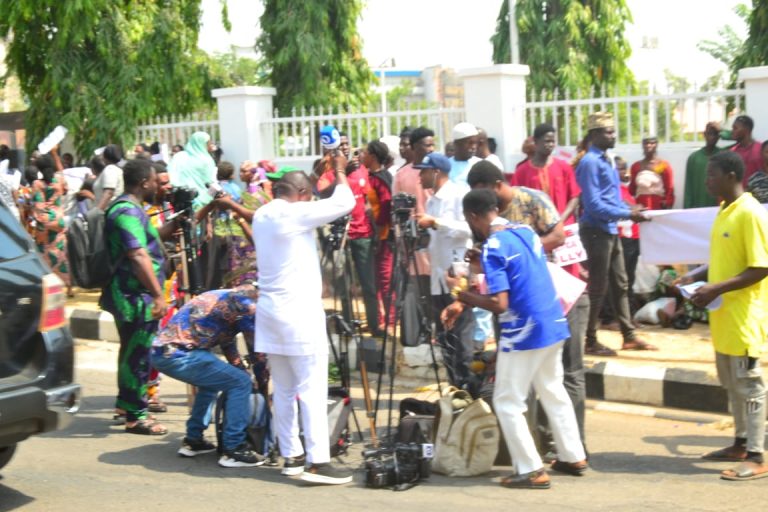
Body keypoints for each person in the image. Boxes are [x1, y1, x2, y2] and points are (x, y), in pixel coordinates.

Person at [443, 188, 587, 489]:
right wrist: (482, 264)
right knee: (551, 388)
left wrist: (466, 295)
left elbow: (500, 304)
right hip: (553, 321)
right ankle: (573, 455)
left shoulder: (494, 245)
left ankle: (532, 469)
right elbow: (518, 269)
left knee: (507, 401)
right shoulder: (525, 231)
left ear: (471, 216)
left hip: (524, 332)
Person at [252, 165, 355, 485]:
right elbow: (345, 203)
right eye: (308, 196)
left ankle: (292, 455)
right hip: (298, 314)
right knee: (311, 388)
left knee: (283, 389)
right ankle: (318, 462)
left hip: (270, 315)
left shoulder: (262, 215)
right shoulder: (293, 215)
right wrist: (339, 172)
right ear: (301, 195)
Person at [682, 151, 768, 481]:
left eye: (711, 175)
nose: (707, 180)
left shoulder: (750, 213)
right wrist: (696, 277)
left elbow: (761, 266)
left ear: (731, 176)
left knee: (750, 386)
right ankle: (741, 444)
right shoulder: (724, 209)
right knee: (732, 385)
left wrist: (716, 288)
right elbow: (724, 256)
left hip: (745, 317)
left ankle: (758, 455)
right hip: (724, 318)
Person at [100, 158, 179, 435]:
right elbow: (137, 253)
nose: (159, 185)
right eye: (156, 180)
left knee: (131, 351)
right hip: (134, 296)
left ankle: (125, 404)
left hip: (133, 293)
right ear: (144, 182)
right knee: (139, 354)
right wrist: (158, 296)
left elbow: (143, 241)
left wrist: (169, 230)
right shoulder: (126, 211)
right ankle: (136, 416)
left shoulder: (132, 210)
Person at [151, 285, 266, 467]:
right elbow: (257, 353)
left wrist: (240, 368)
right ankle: (234, 448)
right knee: (241, 383)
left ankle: (193, 440)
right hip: (182, 355)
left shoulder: (222, 295)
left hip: (162, 353)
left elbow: (227, 342)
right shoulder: (248, 307)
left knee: (213, 382)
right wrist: (260, 381)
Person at [575, 112, 655, 356]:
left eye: (612, 130)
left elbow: (612, 198)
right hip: (596, 230)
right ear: (594, 135)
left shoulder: (607, 159)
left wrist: (628, 209)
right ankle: (590, 340)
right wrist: (628, 214)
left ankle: (628, 335)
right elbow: (594, 205)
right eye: (608, 132)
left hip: (609, 228)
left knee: (620, 283)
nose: (613, 135)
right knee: (599, 286)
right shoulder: (589, 162)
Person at [415, 153, 474, 388]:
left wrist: (436, 223)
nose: (420, 176)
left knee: (461, 339)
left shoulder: (459, 195)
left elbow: (469, 229)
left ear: (436, 172)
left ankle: (468, 389)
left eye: (424, 171)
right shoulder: (431, 202)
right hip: (438, 278)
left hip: (458, 276)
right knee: (445, 339)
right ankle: (454, 388)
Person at [393, 126, 435, 345]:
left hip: (436, 238)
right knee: (419, 288)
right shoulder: (402, 174)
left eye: (432, 145)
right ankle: (422, 332)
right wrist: (401, 243)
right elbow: (396, 212)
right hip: (413, 241)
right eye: (426, 145)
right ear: (415, 147)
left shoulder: (438, 171)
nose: (430, 149)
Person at [30, 151, 72, 296]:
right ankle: (69, 287)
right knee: (61, 253)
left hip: (45, 225)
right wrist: (55, 154)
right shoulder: (59, 181)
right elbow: (64, 181)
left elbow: (38, 207)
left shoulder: (37, 184)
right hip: (59, 222)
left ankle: (47, 287)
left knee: (45, 254)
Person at [363, 141, 395, 331]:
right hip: (371, 233)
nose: (362, 156)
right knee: (373, 278)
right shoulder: (369, 177)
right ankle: (378, 319)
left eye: (365, 152)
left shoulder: (380, 179)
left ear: (373, 157)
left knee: (385, 278)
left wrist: (379, 226)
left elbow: (386, 204)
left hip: (382, 235)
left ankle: (390, 320)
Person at [168, 131, 217, 210]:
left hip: (180, 200)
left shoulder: (179, 156)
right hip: (203, 204)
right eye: (208, 143)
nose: (210, 147)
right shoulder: (207, 160)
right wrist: (210, 201)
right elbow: (212, 184)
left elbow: (171, 177)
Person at [629, 136, 675, 210]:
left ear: (656, 144)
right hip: (641, 205)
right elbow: (632, 188)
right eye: (646, 143)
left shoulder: (663, 165)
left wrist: (667, 202)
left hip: (658, 204)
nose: (649, 145)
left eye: (652, 143)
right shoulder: (636, 166)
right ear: (642, 145)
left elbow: (669, 187)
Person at [684, 122, 722, 208]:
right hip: (697, 208)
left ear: (719, 137)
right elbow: (688, 187)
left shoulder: (723, 155)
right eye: (709, 133)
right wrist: (687, 208)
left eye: (715, 134)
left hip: (718, 208)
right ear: (704, 135)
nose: (712, 137)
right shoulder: (694, 158)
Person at [728, 115, 763, 186]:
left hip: (759, 194)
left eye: (735, 128)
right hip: (739, 195)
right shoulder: (732, 151)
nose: (732, 131)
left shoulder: (761, 149)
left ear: (746, 130)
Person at [448, 122, 481, 187]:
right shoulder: (446, 166)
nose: (474, 147)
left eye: (475, 143)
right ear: (456, 143)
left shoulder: (480, 164)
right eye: (470, 143)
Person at [94, 144, 124, 210]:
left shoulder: (110, 169)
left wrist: (97, 211)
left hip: (106, 211)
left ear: (105, 156)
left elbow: (109, 192)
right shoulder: (117, 169)